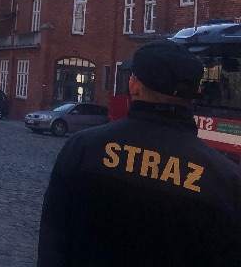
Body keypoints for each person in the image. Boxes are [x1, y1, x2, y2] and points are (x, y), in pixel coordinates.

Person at [37, 39, 241, 267]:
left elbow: (52, 238)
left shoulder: (82, 149)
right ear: (197, 91)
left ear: (133, 85)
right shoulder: (226, 179)